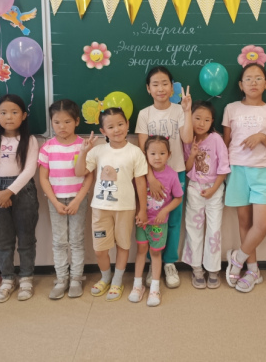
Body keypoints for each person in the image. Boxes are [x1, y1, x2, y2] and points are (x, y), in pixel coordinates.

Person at [223, 63, 266, 293]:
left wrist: (262, 137)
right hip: (238, 169)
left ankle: (237, 258)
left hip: (264, 171)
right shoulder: (231, 109)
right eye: (248, 78)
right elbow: (226, 143)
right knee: (245, 223)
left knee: (263, 224)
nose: (253, 82)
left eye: (258, 78)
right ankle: (252, 270)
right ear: (241, 85)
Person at [75, 108, 148, 302]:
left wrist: (142, 209)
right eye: (111, 126)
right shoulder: (98, 151)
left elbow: (141, 183)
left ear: (127, 125)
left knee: (123, 245)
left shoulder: (135, 152)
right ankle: (106, 277)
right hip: (100, 208)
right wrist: (83, 152)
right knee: (100, 249)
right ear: (103, 131)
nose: (117, 129)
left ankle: (117, 280)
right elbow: (80, 171)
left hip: (125, 208)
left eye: (120, 124)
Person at [135, 66, 192, 288]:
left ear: (172, 87)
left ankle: (169, 263)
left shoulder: (178, 111)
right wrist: (150, 177)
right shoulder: (144, 114)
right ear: (148, 89)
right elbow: (143, 149)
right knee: (152, 219)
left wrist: (187, 111)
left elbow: (187, 139)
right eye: (155, 84)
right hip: (151, 176)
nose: (160, 88)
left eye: (165, 83)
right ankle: (154, 261)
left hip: (175, 172)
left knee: (173, 221)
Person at [0, 94, 39, 303]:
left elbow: (30, 170)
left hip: (23, 191)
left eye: (14, 112)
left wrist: (10, 192)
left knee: (26, 238)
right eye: (4, 113)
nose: (9, 117)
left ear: (23, 115)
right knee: (3, 240)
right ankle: (7, 278)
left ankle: (26, 278)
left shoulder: (29, 140)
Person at [39, 99, 94, 299]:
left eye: (67, 122)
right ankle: (61, 279)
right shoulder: (47, 148)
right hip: (56, 201)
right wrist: (54, 202)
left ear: (77, 121)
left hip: (78, 199)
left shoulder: (83, 146)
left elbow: (88, 177)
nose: (62, 126)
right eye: (57, 122)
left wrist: (78, 200)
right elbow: (43, 178)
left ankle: (76, 278)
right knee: (59, 241)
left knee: (77, 240)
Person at [128, 136, 184, 306]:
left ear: (169, 154)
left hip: (159, 224)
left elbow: (178, 198)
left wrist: (165, 210)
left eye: (162, 153)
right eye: (152, 153)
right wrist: (139, 212)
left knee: (155, 253)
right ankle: (137, 286)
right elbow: (136, 194)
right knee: (141, 250)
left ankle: (154, 288)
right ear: (146, 154)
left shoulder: (172, 175)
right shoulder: (141, 173)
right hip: (143, 221)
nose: (157, 157)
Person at [181, 101, 230, 289]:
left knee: (214, 229)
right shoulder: (187, 139)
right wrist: (193, 154)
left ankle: (213, 269)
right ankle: (196, 268)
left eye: (207, 120)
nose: (201, 123)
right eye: (197, 118)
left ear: (212, 122)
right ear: (190, 118)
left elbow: (223, 168)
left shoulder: (216, 139)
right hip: (195, 188)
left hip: (214, 189)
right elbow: (187, 168)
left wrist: (214, 189)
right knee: (193, 228)